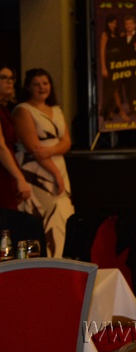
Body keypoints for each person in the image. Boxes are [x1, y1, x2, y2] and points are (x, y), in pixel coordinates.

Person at [12, 68, 74, 257]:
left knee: (63, 214)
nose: (42, 87)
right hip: (36, 170)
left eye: (45, 83)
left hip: (58, 165)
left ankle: (63, 260)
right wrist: (55, 174)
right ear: (28, 87)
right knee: (45, 216)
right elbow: (34, 148)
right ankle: (45, 262)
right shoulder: (23, 110)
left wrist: (51, 151)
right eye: (36, 84)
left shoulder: (56, 109)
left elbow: (67, 142)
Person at [1, 65, 31, 210]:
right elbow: (1, 147)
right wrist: (19, 178)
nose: (9, 82)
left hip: (7, 168)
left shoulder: (4, 108)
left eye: (11, 78)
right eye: (3, 78)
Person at [98, 14, 126, 121]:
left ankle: (113, 110)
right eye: (111, 23)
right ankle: (117, 111)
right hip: (109, 65)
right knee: (111, 89)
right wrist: (103, 68)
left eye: (114, 23)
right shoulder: (105, 35)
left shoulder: (117, 35)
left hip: (118, 65)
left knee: (117, 88)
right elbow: (102, 52)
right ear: (107, 23)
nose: (113, 25)